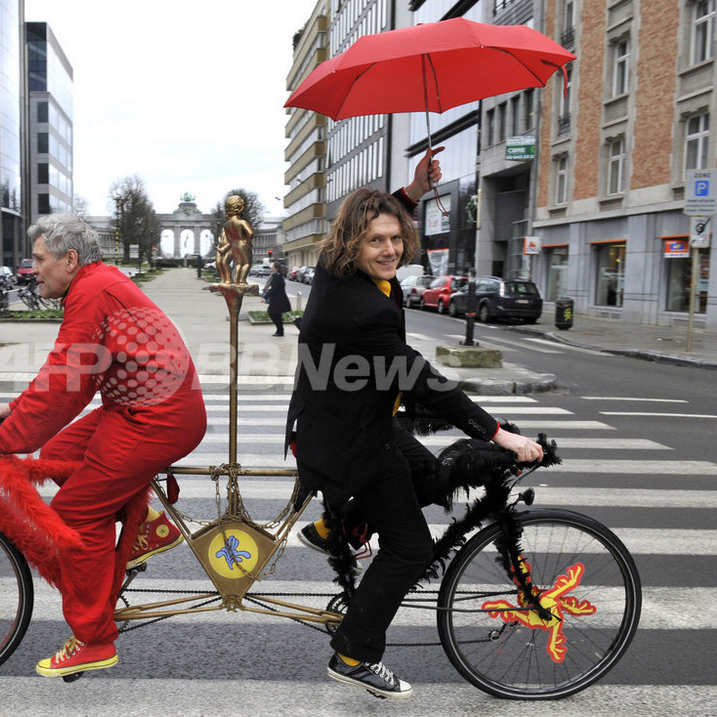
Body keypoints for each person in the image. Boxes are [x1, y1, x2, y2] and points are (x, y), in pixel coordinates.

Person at [285, 149, 543, 700]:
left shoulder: (336, 269)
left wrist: (411, 192)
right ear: (352, 243)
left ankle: (338, 526)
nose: (389, 249)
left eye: (395, 238)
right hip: (348, 442)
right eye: (376, 241)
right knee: (410, 550)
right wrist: (496, 432)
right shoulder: (364, 308)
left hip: (344, 422)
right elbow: (421, 378)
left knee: (431, 478)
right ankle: (355, 653)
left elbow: (378, 220)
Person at [0, 214, 206, 679]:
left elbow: (66, 384)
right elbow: (66, 374)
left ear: (69, 260)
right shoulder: (94, 284)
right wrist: (12, 413)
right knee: (59, 457)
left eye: (39, 259)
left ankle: (94, 638)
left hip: (157, 418)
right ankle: (148, 524)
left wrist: (0, 442)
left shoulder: (91, 292)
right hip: (139, 407)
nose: (33, 269)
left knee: (74, 513)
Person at [215, 194, 253, 285]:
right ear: (240, 208)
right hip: (241, 243)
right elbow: (250, 233)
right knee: (246, 263)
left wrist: (224, 248)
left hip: (233, 245)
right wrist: (247, 242)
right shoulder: (241, 222)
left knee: (239, 263)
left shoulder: (227, 224)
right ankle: (242, 280)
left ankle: (236, 280)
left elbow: (229, 238)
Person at [261, 261, 291, 336]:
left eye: (272, 266)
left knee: (272, 313)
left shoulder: (276, 276)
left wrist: (265, 297)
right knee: (277, 314)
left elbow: (273, 288)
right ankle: (280, 329)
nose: (271, 267)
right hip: (279, 299)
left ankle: (280, 330)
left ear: (275, 268)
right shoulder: (278, 275)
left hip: (278, 299)